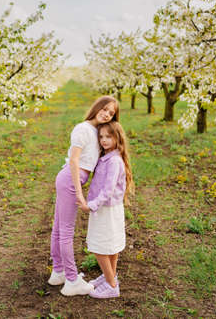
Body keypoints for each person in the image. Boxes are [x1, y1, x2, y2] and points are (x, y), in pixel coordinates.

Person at [48, 96, 120, 296]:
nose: (106, 114)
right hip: (71, 179)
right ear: (97, 107)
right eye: (104, 109)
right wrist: (79, 192)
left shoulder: (95, 132)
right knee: (66, 230)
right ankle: (71, 281)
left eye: (111, 113)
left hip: (70, 179)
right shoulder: (82, 128)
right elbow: (74, 160)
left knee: (58, 227)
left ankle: (58, 272)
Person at [80, 121, 134, 299]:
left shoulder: (114, 161)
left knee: (100, 246)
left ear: (117, 138)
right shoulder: (108, 157)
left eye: (108, 137)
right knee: (110, 245)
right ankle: (110, 275)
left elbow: (108, 190)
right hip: (108, 209)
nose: (103, 140)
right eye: (101, 136)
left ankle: (112, 286)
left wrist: (91, 206)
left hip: (105, 209)